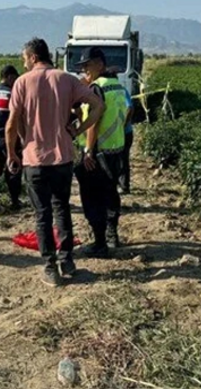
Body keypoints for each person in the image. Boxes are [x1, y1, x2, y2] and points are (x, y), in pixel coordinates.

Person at [5, 38, 104, 287]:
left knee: (42, 214)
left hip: (34, 159)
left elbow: (11, 123)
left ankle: (50, 267)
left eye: (25, 59)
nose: (24, 63)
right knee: (62, 209)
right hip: (62, 158)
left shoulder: (22, 82)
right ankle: (67, 260)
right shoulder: (67, 79)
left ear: (33, 57)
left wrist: (12, 152)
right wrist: (77, 129)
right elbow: (97, 105)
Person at [73, 47, 128, 258]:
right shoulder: (117, 86)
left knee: (92, 197)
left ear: (100, 64)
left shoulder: (97, 88)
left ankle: (99, 243)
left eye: (87, 65)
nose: (84, 70)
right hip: (117, 148)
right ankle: (112, 233)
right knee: (111, 193)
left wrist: (88, 150)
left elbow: (94, 122)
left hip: (98, 152)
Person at [0, 65, 23, 210]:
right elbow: (18, 120)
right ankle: (15, 201)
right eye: (15, 78)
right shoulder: (12, 95)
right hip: (8, 136)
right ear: (9, 77)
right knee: (13, 168)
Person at [118, 88, 134, 194]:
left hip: (124, 133)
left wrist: (123, 125)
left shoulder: (121, 91)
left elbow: (130, 108)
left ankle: (124, 186)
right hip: (118, 133)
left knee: (123, 159)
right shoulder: (121, 90)